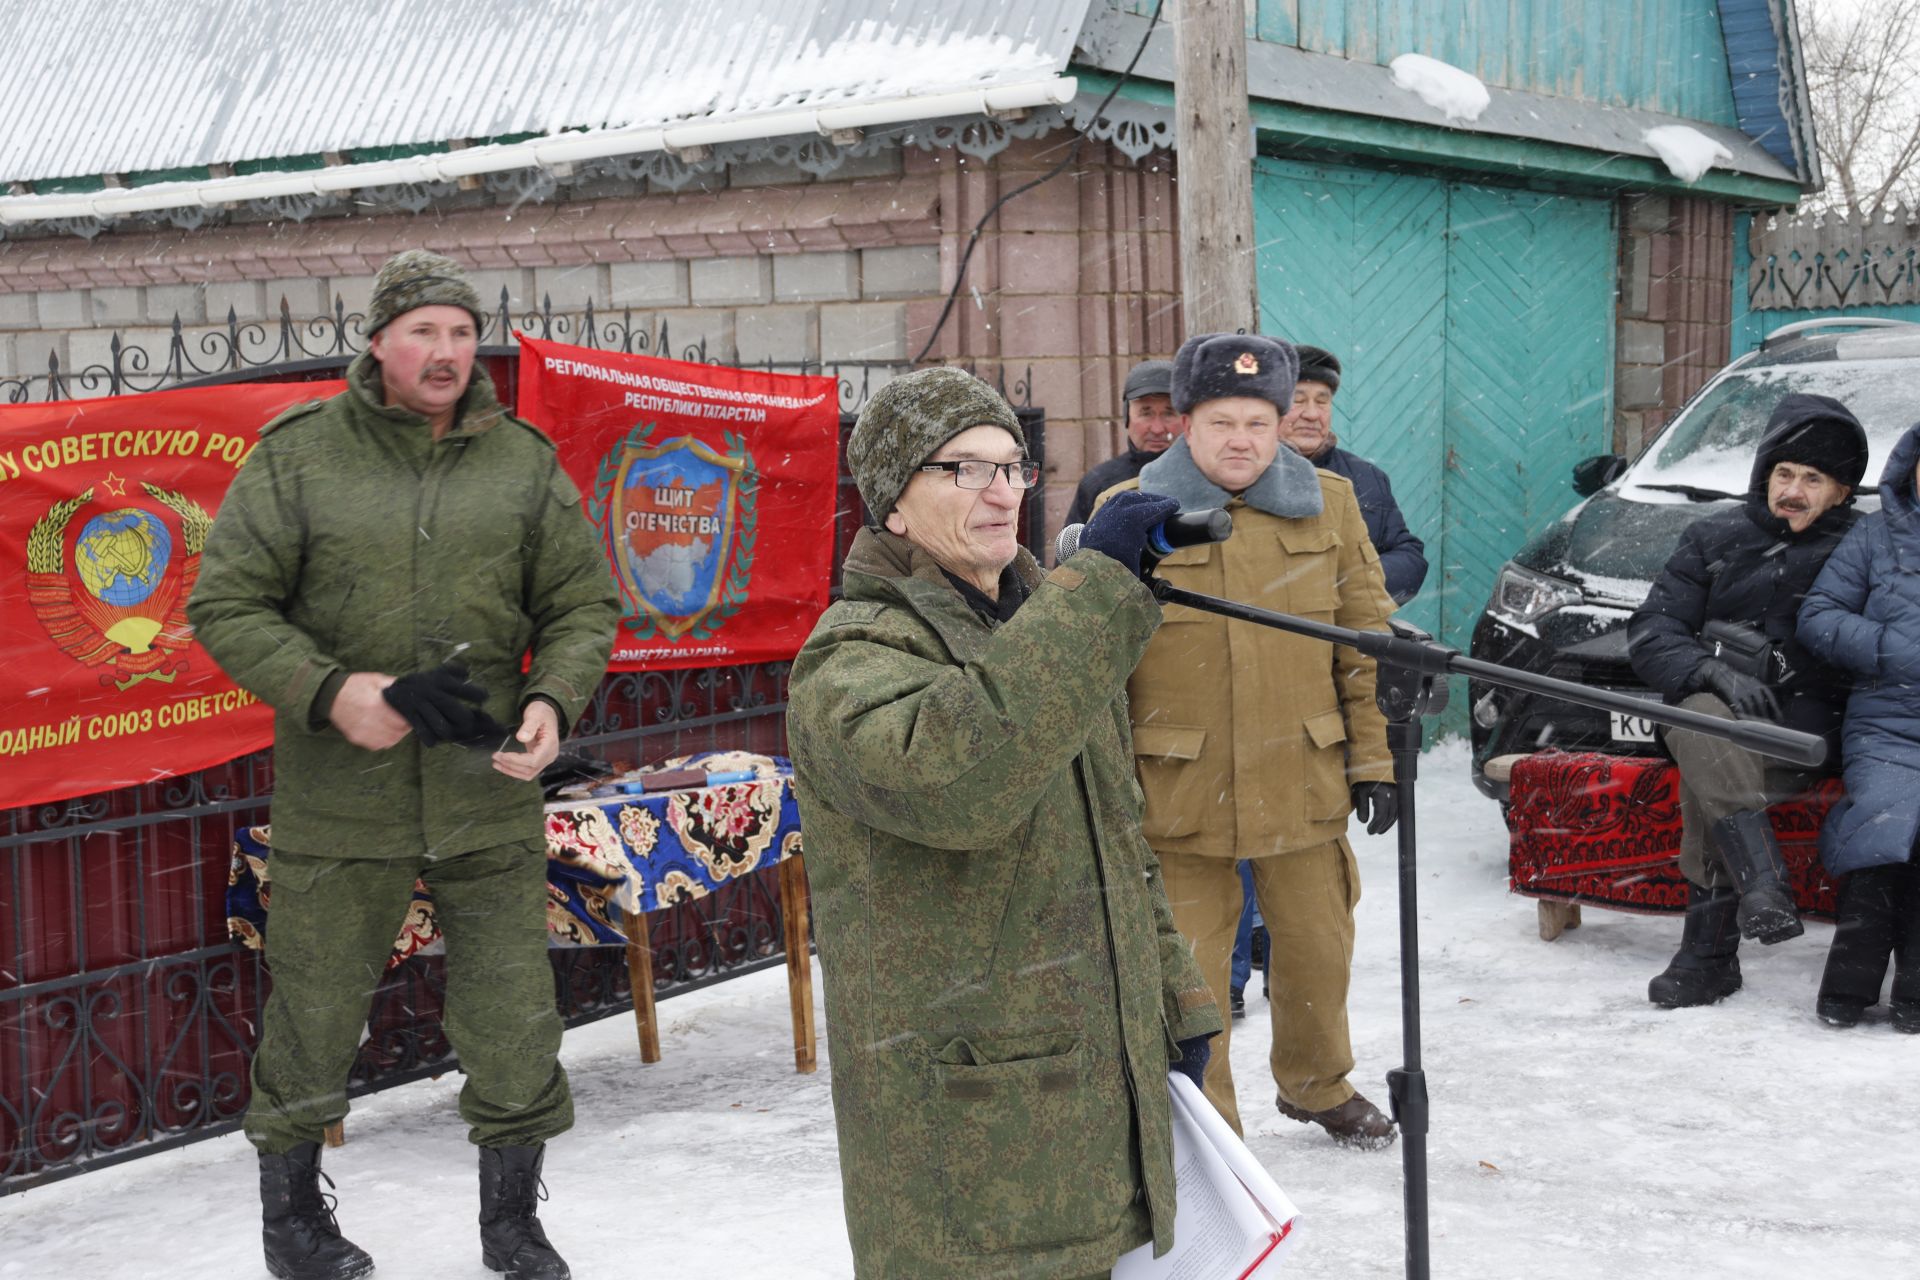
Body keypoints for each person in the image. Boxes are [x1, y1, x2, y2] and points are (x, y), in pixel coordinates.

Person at [188, 250, 619, 1280]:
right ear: (378, 340)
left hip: (486, 793)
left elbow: (581, 603)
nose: (446, 352)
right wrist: (334, 690)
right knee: (315, 1010)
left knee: (516, 1015)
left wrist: (556, 698)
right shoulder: (301, 457)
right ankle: (293, 1223)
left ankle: (512, 1221)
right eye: (423, 331)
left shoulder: (518, 460)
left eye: (462, 333)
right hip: (345, 800)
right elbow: (226, 603)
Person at [786, 366, 1223, 1278]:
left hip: (1091, 1085)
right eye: (962, 469)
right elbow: (962, 782)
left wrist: (1175, 993)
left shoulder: (1044, 627)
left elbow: (1119, 838)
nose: (1000, 492)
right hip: (967, 1115)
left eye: (1012, 467)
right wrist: (1098, 584)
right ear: (892, 508)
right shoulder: (855, 653)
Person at [1101, 332, 1400, 1149]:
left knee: (1316, 950)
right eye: (1223, 421)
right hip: (1175, 785)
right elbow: (1095, 664)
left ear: (1281, 425)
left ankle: (1316, 1084)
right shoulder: (1127, 512)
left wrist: (1374, 759)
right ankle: (1211, 1132)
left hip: (1301, 772)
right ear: (1186, 423)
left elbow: (1366, 639)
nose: (1242, 441)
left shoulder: (1331, 503)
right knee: (1192, 976)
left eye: (1259, 423)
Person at [1627, 393, 1866, 1010]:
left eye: (1814, 479)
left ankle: (1707, 957)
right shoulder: (1713, 535)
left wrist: (1795, 668)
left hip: (1805, 734)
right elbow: (1652, 630)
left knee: (1708, 775)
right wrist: (1712, 670)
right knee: (1703, 721)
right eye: (1783, 473)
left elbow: (1878, 642)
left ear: (1842, 492)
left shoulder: (1865, 548)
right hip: (1709, 718)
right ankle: (1763, 886)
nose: (1793, 490)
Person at [1797, 416, 1920, 1033]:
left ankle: (1915, 995)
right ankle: (1847, 989)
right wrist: (1890, 648)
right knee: (1884, 825)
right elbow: (1818, 616)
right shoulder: (1876, 536)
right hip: (1889, 725)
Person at [1275, 345, 1428, 605]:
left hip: (1347, 633)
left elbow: (1408, 556)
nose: (1312, 414)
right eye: (1297, 401)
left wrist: (1350, 584)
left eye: (1322, 402)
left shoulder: (1365, 476)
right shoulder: (1245, 475)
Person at [1061, 358, 1187, 528]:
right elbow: (1071, 554)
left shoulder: (1209, 478)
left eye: (1169, 413)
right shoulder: (1099, 483)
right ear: (1127, 416)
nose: (1157, 429)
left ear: (1186, 420)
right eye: (1146, 413)